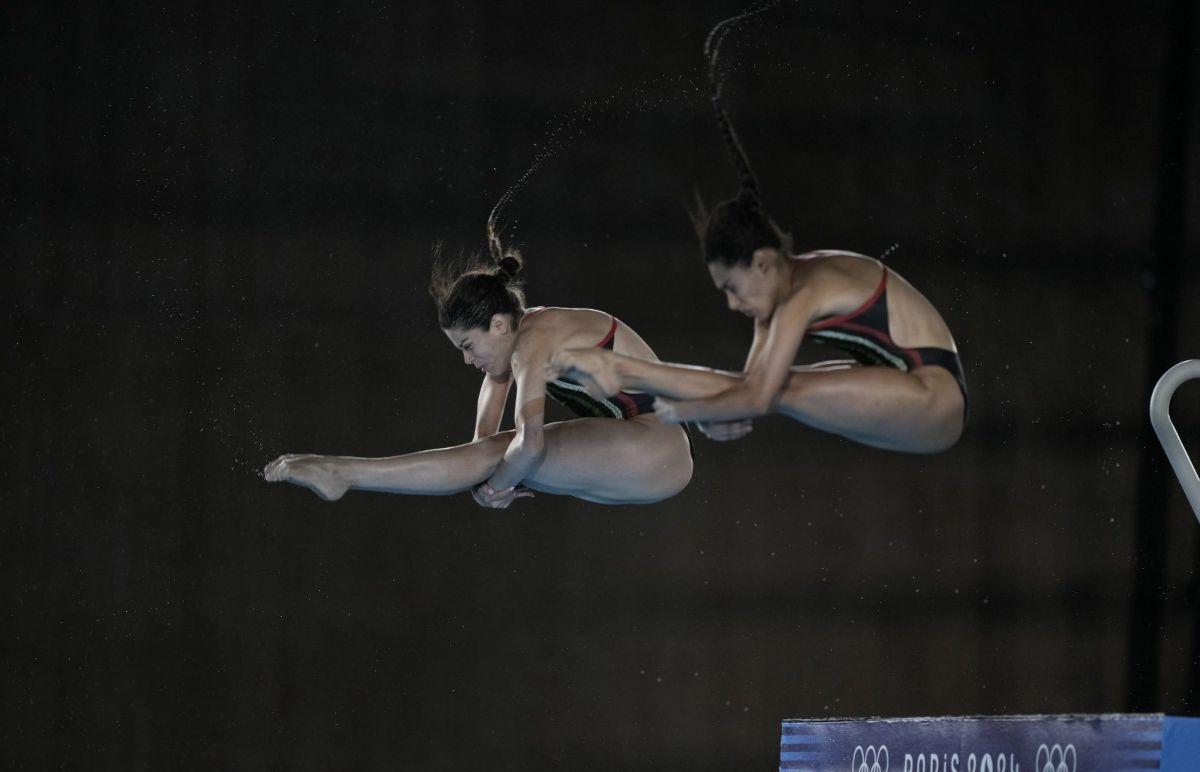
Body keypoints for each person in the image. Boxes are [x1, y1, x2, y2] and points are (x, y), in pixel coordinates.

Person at [549, 27, 966, 455]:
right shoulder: (773, 303)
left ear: (764, 262)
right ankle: (624, 370)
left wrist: (687, 409)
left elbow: (761, 397)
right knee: (774, 385)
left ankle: (623, 369)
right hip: (905, 401)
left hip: (934, 398)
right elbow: (745, 394)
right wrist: (720, 412)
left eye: (732, 287)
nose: (732, 304)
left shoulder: (810, 288)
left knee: (785, 387)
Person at [263, 242, 693, 507]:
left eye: (469, 347)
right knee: (493, 456)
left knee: (505, 456)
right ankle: (342, 472)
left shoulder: (533, 342)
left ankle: (344, 473)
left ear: (500, 325)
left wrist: (494, 486)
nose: (468, 361)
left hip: (654, 449)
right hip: (645, 459)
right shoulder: (518, 342)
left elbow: (529, 444)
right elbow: (480, 446)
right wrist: (489, 477)